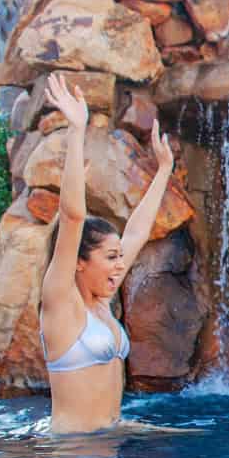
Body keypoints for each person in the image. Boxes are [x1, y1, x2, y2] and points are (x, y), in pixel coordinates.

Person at [39, 72, 175, 435]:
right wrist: (77, 130)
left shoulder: (102, 300)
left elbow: (137, 232)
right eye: (111, 257)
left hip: (110, 442)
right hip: (73, 456)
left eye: (120, 257)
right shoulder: (60, 303)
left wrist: (163, 170)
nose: (120, 265)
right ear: (80, 262)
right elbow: (72, 216)